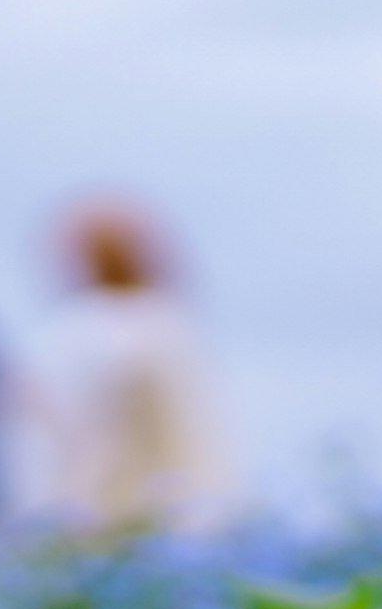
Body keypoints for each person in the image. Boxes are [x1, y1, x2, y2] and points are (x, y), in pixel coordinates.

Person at [36, 200, 235, 536]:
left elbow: (66, 438)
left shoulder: (83, 329)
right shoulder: (173, 323)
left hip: (104, 520)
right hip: (183, 517)